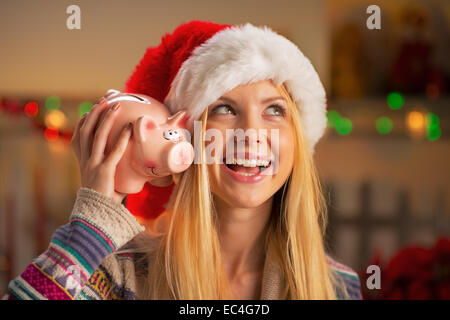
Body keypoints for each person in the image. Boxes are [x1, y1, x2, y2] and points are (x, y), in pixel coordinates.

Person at [3, 20, 362, 300]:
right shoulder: (115, 274)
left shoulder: (339, 287)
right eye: (224, 108)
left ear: (298, 138)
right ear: (184, 139)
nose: (252, 132)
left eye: (274, 110)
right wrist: (92, 222)